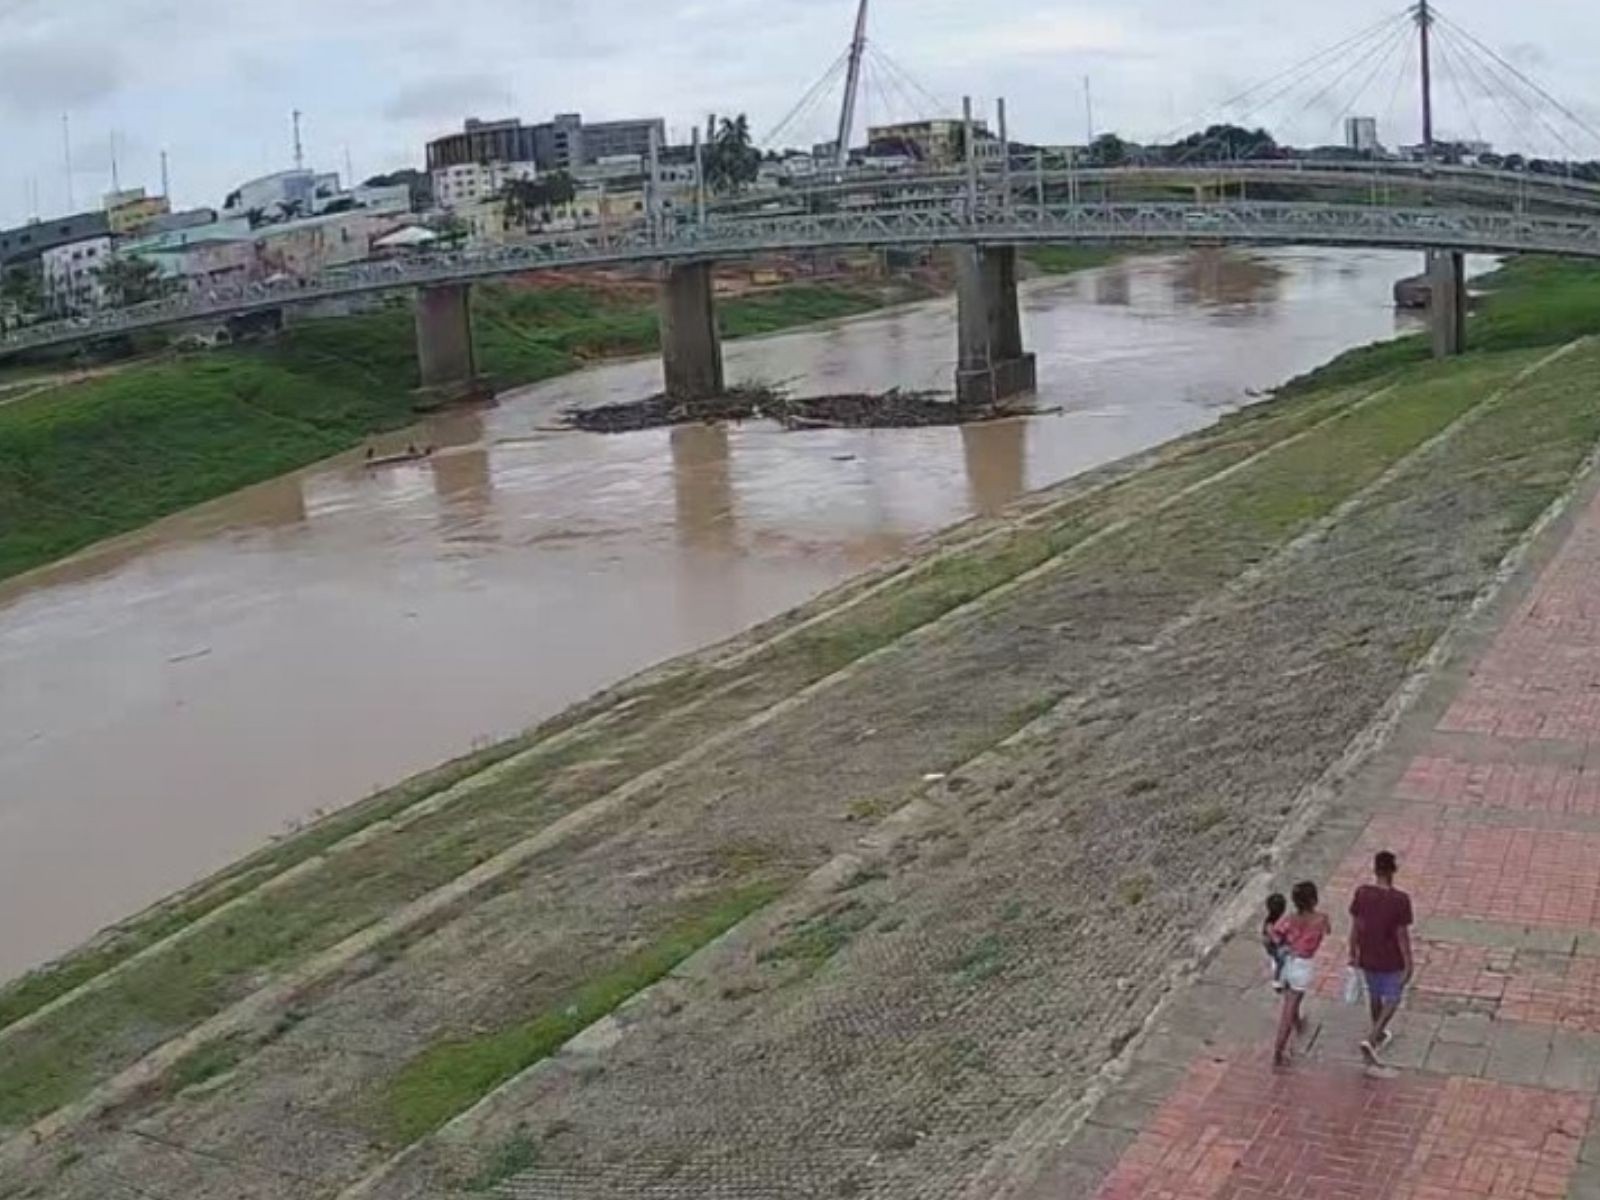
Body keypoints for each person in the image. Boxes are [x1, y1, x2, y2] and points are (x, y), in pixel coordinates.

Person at [1349, 850, 1414, 1068]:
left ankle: (1377, 1035)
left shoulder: (1362, 893)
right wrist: (1408, 962)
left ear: (1375, 869)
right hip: (1390, 956)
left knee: (1375, 994)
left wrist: (1352, 951)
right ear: (1393, 871)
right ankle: (1372, 1037)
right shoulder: (1400, 900)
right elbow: (1401, 935)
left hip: (1367, 952)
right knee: (1393, 997)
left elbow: (1356, 926)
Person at [1273, 881, 1330, 1067]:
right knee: (1289, 1008)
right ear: (1314, 900)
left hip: (1286, 962)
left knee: (1290, 998)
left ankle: (1298, 1023)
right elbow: (1326, 931)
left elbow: (1276, 935)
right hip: (1302, 965)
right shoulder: (1321, 919)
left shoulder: (1289, 918)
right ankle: (1278, 1052)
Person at [1262, 892, 1288, 991]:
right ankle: (1276, 981)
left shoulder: (1276, 919)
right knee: (1281, 961)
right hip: (1272, 945)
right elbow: (1275, 939)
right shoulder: (1270, 924)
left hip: (1273, 943)